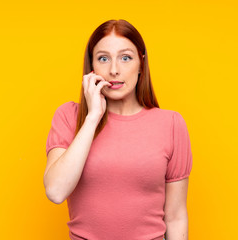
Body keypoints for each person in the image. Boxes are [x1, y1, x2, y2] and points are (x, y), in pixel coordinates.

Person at [43, 19, 192, 240]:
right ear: (91, 66)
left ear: (141, 63)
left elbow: (176, 216)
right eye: (104, 58)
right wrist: (93, 117)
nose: (114, 70)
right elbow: (56, 191)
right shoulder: (69, 117)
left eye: (125, 58)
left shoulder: (171, 124)